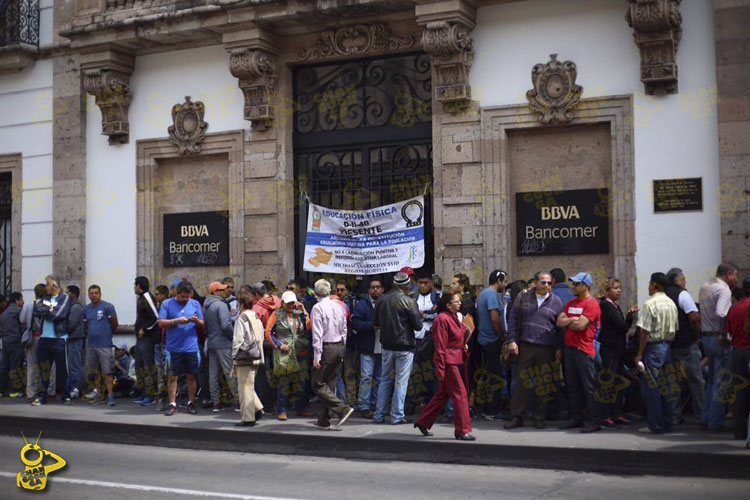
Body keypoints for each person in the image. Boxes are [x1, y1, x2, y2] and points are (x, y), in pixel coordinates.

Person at [504, 272, 563, 429]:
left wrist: (559, 348)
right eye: (543, 282)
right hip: (525, 346)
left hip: (546, 347)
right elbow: (513, 319)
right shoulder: (523, 297)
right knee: (521, 384)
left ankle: (539, 417)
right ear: (536, 283)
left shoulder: (556, 301)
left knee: (543, 384)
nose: (546, 286)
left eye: (549, 283)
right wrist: (512, 340)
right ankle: (517, 417)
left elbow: (560, 328)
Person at [414, 291, 475, 441]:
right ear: (448, 305)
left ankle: (423, 421)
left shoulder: (453, 317)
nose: (459, 303)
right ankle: (462, 430)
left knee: (443, 395)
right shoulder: (442, 319)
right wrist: (440, 368)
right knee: (460, 394)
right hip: (448, 362)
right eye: (456, 301)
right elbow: (440, 347)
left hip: (455, 359)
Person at [374, 272, 423, 424]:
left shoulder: (381, 300)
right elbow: (418, 325)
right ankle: (396, 415)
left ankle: (379, 414)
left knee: (385, 380)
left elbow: (376, 323)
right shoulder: (409, 301)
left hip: (387, 345)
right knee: (401, 381)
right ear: (407, 285)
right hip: (404, 346)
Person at [557, 272, 602, 433]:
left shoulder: (592, 304)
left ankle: (594, 420)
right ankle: (575, 418)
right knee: (573, 386)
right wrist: (572, 320)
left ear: (586, 286)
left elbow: (581, 326)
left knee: (589, 387)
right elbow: (559, 321)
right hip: (570, 350)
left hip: (584, 350)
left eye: (576, 284)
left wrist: (570, 321)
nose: (573, 287)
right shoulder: (571, 303)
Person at [634, 272, 679, 434]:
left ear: (654, 285)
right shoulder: (671, 304)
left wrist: (639, 353)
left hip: (653, 349)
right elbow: (676, 328)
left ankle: (656, 425)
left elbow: (645, 332)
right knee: (667, 388)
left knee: (651, 389)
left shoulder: (650, 304)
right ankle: (668, 422)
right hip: (667, 348)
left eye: (649, 283)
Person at [310, 279, 354, 429]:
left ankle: (342, 408)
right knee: (329, 384)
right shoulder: (338, 306)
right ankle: (323, 420)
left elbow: (317, 334)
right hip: (338, 346)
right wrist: (343, 347)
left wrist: (317, 356)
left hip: (327, 347)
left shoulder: (317, 308)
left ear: (316, 292)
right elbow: (344, 329)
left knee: (317, 384)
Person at [698, 263, 738, 432]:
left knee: (711, 381)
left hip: (706, 337)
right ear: (729, 274)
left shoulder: (706, 286)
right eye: (735, 275)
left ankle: (706, 418)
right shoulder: (724, 290)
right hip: (719, 338)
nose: (736, 279)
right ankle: (715, 422)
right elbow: (722, 313)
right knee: (720, 382)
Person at [158, 281, 205, 416]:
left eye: (187, 297)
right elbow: (161, 322)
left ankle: (191, 402)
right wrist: (176, 321)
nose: (185, 299)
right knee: (173, 377)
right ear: (176, 294)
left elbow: (202, 323)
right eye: (182, 297)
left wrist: (195, 321)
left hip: (191, 347)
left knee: (191, 376)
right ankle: (172, 404)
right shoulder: (167, 303)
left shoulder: (195, 303)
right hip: (173, 348)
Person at [265, 290, 312, 420]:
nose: (291, 306)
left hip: (300, 351)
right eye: (288, 303)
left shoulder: (299, 314)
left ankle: (302, 407)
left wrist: (304, 311)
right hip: (284, 353)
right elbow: (268, 332)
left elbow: (310, 327)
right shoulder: (276, 314)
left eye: (293, 303)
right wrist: (278, 344)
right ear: (283, 303)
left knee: (302, 381)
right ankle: (282, 409)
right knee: (284, 382)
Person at [665, 268, 703, 423]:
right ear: (676, 280)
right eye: (683, 279)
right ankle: (701, 413)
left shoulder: (664, 295)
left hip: (669, 344)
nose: (685, 281)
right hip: (686, 344)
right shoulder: (683, 294)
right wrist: (697, 336)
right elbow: (694, 317)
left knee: (673, 381)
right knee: (696, 380)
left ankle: (674, 415)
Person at [597, 277, 636, 427]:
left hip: (618, 349)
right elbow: (621, 325)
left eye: (619, 287)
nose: (619, 290)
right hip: (610, 349)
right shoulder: (606, 306)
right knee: (609, 382)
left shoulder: (615, 306)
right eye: (615, 288)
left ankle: (617, 413)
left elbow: (623, 326)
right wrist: (627, 318)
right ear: (607, 291)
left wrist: (628, 317)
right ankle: (606, 415)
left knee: (619, 382)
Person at [32, 275, 73, 406]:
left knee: (62, 370)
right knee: (44, 369)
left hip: (59, 339)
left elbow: (58, 314)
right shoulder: (45, 298)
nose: (46, 286)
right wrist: (49, 310)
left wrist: (48, 311)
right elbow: (36, 310)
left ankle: (65, 395)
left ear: (55, 286)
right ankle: (41, 396)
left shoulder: (64, 298)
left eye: (48, 284)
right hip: (44, 339)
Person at [475, 270, 508, 419]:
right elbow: (495, 319)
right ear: (499, 280)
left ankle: (486, 407)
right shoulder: (492, 295)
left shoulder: (483, 294)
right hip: (491, 341)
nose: (505, 285)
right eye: (504, 281)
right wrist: (502, 337)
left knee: (488, 375)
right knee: (493, 377)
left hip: (484, 340)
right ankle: (491, 410)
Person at [352, 278, 384, 418]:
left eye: (378, 287)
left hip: (383, 346)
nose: (375, 289)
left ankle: (377, 405)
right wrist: (371, 326)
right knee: (366, 377)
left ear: (382, 289)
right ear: (368, 290)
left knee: (380, 378)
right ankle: (364, 406)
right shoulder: (362, 304)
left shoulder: (386, 303)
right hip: (367, 346)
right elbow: (355, 323)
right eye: (372, 287)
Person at [82, 285, 118, 406]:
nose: (94, 295)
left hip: (105, 345)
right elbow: (86, 325)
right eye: (91, 293)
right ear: (89, 295)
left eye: (96, 293)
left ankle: (110, 396)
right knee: (95, 372)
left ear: (100, 294)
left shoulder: (108, 306)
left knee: (107, 372)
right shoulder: (86, 309)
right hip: (91, 345)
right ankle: (100, 395)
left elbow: (115, 323)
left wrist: (106, 334)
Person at [204, 281, 238, 412]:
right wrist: (233, 336)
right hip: (223, 343)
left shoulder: (207, 305)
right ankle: (238, 401)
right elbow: (225, 325)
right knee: (230, 373)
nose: (225, 291)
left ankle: (215, 402)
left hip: (211, 342)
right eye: (221, 290)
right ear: (215, 292)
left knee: (213, 374)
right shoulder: (221, 305)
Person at [233, 294, 266, 426]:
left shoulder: (241, 319)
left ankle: (248, 418)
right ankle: (258, 408)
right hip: (256, 355)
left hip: (244, 358)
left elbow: (238, 340)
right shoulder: (256, 317)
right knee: (248, 386)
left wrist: (234, 357)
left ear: (241, 305)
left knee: (244, 389)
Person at [727, 277, 750, 440]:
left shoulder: (734, 309)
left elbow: (729, 332)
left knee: (740, 393)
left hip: (738, 352)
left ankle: (740, 432)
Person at [133, 276, 160, 405]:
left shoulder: (147, 297)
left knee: (148, 366)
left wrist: (145, 329)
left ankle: (150, 394)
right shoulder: (141, 299)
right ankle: (142, 392)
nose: (134, 288)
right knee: (139, 365)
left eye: (135, 285)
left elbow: (156, 317)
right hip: (140, 338)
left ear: (139, 286)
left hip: (147, 338)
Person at [24, 284, 48, 401]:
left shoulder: (28, 305)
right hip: (45, 338)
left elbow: (21, 319)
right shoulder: (49, 305)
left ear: (35, 292)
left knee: (31, 365)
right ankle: (46, 391)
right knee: (46, 365)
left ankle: (30, 392)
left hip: (32, 338)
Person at [0, 292, 25, 398]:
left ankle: (1, 390)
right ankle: (16, 390)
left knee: (4, 366)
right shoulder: (19, 311)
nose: (23, 302)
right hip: (16, 342)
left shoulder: (3, 313)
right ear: (17, 300)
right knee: (16, 366)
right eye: (22, 299)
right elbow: (23, 327)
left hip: (5, 342)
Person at [65, 286, 84, 400]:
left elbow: (71, 324)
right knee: (72, 364)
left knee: (74, 365)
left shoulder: (76, 307)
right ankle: (73, 387)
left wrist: (61, 330)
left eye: (68, 293)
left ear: (73, 294)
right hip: (71, 338)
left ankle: (76, 388)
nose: (66, 295)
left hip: (74, 338)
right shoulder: (71, 306)